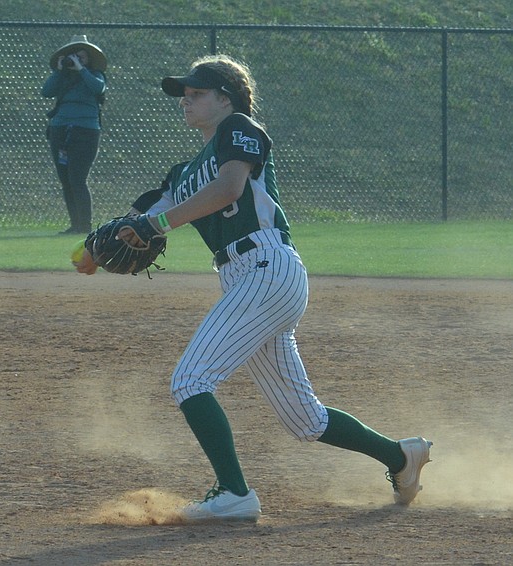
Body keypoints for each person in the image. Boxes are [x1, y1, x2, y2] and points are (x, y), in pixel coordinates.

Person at [75, 55, 432, 522]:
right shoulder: (181, 174)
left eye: (197, 92)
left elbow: (226, 189)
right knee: (307, 421)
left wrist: (155, 222)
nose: (187, 99)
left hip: (267, 265)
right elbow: (138, 220)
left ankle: (233, 493)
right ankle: (400, 456)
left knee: (190, 380)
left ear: (226, 98)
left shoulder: (239, 129)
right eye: (185, 93)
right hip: (245, 279)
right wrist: (92, 252)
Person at [42, 35, 107, 235]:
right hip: (60, 130)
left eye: (81, 57)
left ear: (88, 60)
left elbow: (99, 88)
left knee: (77, 178)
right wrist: (60, 71)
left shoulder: (95, 75)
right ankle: (74, 225)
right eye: (73, 57)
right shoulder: (62, 78)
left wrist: (82, 70)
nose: (76, 60)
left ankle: (84, 226)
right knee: (66, 179)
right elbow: (46, 91)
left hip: (85, 132)